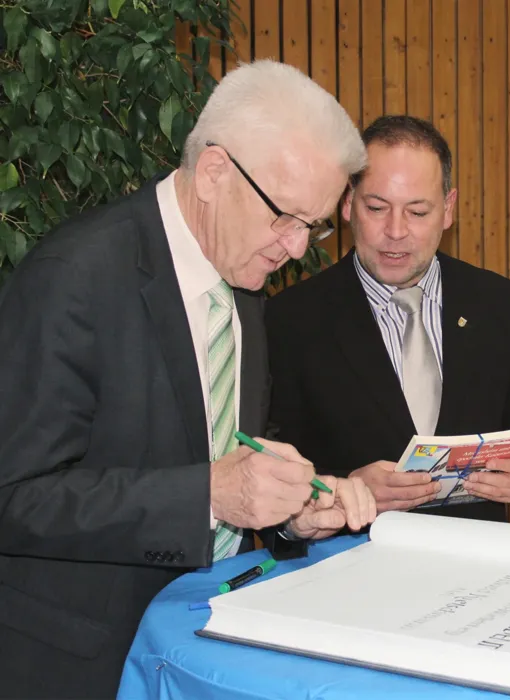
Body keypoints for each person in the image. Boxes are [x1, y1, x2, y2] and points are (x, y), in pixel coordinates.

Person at [0, 60, 376, 699]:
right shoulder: (73, 279)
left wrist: (292, 512)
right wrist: (207, 496)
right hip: (83, 664)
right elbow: (14, 497)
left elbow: (225, 454)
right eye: (286, 218)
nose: (295, 247)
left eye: (313, 228)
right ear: (213, 173)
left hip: (195, 649)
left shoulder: (241, 275)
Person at [266, 115, 510, 524]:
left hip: (478, 567)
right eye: (377, 207)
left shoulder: (503, 306)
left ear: (447, 210)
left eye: (417, 211)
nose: (396, 231)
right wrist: (345, 486)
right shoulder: (290, 320)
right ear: (347, 204)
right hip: (350, 572)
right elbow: (270, 463)